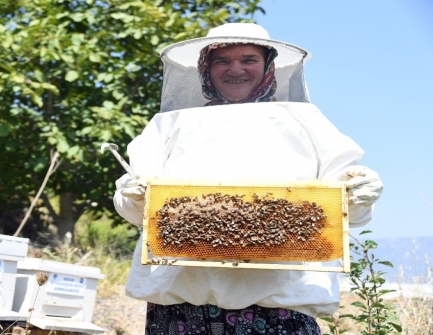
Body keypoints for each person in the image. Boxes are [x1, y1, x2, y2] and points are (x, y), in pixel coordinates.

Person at [113, 23, 383, 335]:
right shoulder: (170, 125)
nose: (235, 69)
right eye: (222, 61)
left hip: (279, 301)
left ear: (269, 65)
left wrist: (359, 190)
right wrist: (132, 195)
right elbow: (137, 210)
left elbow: (347, 208)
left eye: (248, 59)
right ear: (206, 68)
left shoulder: (306, 122)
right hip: (185, 301)